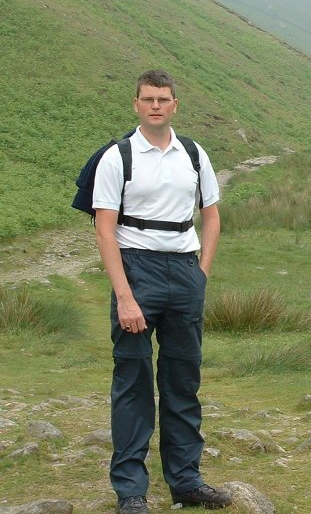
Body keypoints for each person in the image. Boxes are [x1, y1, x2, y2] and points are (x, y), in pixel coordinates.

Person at [93, 70, 230, 513]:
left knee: (182, 381)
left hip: (185, 272)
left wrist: (202, 274)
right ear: (136, 104)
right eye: (148, 98)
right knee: (132, 383)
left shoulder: (193, 153)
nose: (156, 105)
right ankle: (131, 491)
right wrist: (125, 295)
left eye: (163, 99)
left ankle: (186, 482)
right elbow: (105, 231)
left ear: (175, 105)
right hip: (137, 271)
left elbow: (211, 215)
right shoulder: (117, 157)